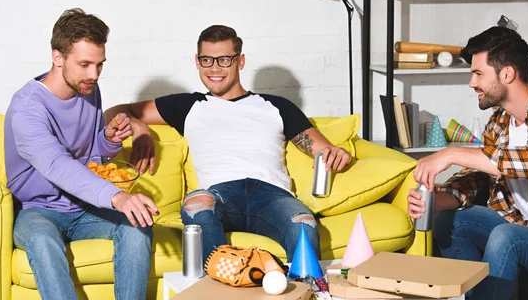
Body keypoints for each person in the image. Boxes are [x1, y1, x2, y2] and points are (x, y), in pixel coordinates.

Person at [105, 24, 352, 263]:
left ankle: (305, 290)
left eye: (224, 60)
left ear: (240, 61)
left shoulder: (276, 106)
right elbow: (115, 111)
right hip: (219, 196)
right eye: (207, 60)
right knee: (196, 203)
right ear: (197, 61)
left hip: (273, 196)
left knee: (304, 223)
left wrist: (337, 154)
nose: (215, 68)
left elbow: (323, 149)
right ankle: (218, 286)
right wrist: (138, 126)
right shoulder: (187, 106)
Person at [407, 26, 528, 300]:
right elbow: (477, 175)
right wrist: (433, 200)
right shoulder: (499, 123)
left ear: (507, 74)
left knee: (507, 237)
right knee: (449, 222)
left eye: (478, 73)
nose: (471, 83)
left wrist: (450, 153)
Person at [5, 8, 159, 300]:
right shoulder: (27, 110)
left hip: (85, 206)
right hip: (38, 211)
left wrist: (108, 140)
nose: (94, 75)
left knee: (138, 224)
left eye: (100, 65)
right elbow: (58, 166)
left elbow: (91, 161)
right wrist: (118, 196)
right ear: (57, 57)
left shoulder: (88, 90)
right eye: (85, 64)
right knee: (41, 240)